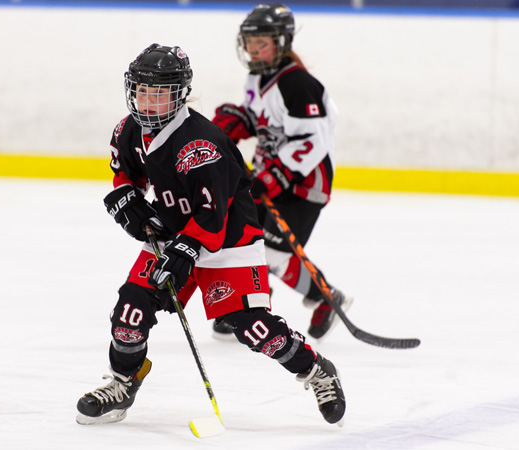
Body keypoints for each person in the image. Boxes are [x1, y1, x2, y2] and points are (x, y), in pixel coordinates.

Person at [75, 43, 345, 427]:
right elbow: (127, 173)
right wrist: (127, 197)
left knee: (253, 329)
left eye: (160, 93)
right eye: (142, 91)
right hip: (176, 237)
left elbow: (213, 218)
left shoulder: (201, 144)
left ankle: (318, 371)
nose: (148, 101)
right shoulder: (129, 130)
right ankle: (122, 382)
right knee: (130, 310)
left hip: (229, 243)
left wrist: (184, 252)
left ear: (179, 94)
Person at [211, 4, 353, 342]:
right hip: (271, 175)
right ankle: (252, 303)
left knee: (273, 250)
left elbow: (311, 141)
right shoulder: (257, 77)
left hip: (304, 184)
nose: (255, 49)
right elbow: (257, 118)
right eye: (250, 42)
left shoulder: (299, 84)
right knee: (240, 236)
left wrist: (272, 179)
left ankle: (325, 299)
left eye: (263, 43)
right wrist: (234, 125)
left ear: (282, 42)